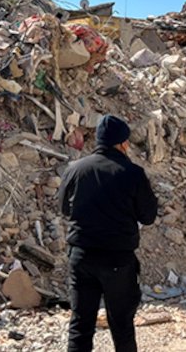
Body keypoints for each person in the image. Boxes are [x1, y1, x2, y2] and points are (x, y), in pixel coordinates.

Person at [60, 115, 158, 352]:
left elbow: (64, 208)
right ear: (123, 143)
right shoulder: (133, 173)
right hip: (117, 261)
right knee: (121, 325)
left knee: (80, 325)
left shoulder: (75, 169)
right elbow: (148, 216)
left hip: (81, 257)